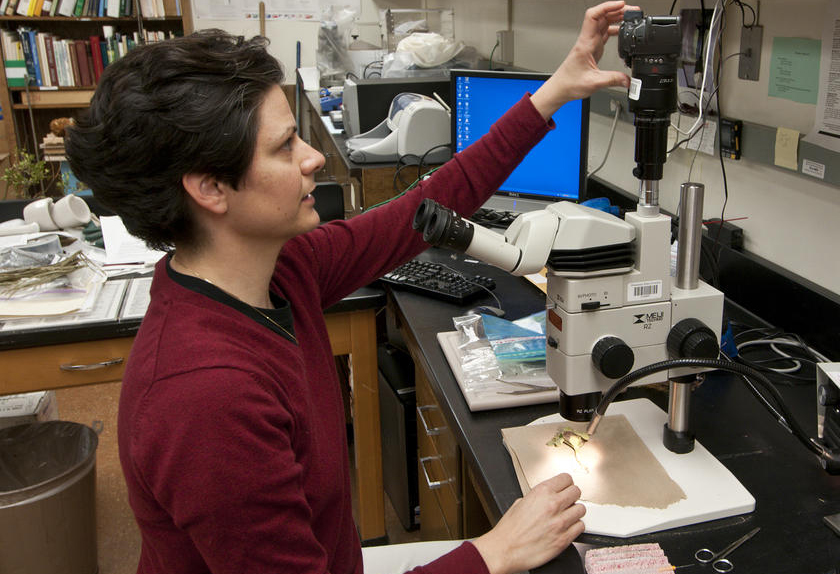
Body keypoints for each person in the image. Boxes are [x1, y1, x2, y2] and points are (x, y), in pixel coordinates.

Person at [65, 2, 633, 574]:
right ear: (211, 188)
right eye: (285, 146)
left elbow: (423, 207)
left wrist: (554, 93)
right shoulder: (205, 398)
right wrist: (490, 554)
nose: (313, 157)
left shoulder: (281, 271)